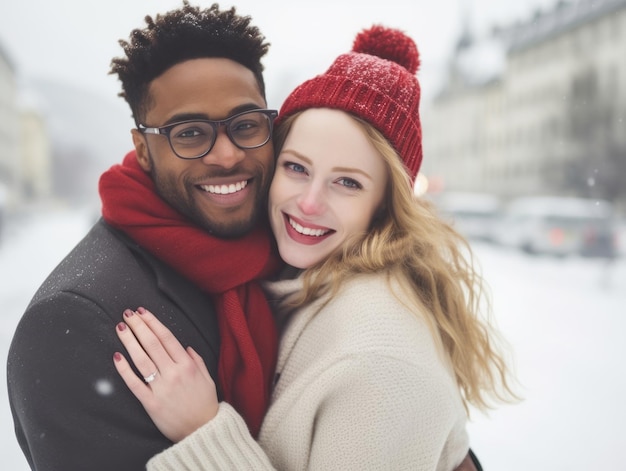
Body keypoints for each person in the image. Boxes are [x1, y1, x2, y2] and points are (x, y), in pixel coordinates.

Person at [113, 26, 517, 470]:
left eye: (347, 182)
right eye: (297, 167)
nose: (308, 203)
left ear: (385, 204)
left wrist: (203, 432)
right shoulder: (304, 281)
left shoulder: (380, 359)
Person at [6, 3, 282, 470]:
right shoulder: (71, 322)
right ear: (143, 150)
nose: (227, 155)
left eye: (246, 124)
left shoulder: (293, 250)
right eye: (190, 133)